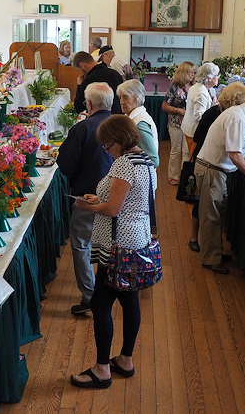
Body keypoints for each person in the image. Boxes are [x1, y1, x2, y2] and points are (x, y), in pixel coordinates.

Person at [69, 115, 156, 389]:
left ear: (119, 139)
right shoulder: (147, 162)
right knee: (130, 301)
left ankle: (102, 369)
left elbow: (113, 210)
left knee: (100, 303)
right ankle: (126, 360)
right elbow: (132, 201)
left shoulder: (123, 165)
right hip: (138, 238)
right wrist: (101, 199)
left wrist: (87, 206)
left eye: (107, 146)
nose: (106, 151)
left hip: (118, 244)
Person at [195, 90, 245, 274]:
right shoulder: (238, 118)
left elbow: (236, 153)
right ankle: (210, 259)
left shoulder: (239, 114)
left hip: (216, 170)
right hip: (211, 170)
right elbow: (235, 154)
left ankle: (215, 252)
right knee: (211, 217)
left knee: (217, 214)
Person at [57, 83, 115, 314]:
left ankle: (90, 297)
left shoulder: (83, 128)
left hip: (87, 198)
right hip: (117, 197)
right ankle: (111, 291)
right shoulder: (123, 126)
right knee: (110, 245)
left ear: (88, 104)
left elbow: (65, 164)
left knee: (82, 244)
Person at [187, 82, 245, 254]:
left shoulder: (230, 114)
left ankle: (213, 250)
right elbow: (198, 136)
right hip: (206, 162)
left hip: (210, 163)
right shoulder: (215, 113)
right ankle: (198, 243)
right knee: (205, 210)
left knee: (209, 211)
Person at [161, 61, 196, 185]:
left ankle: (184, 176)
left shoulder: (194, 87)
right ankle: (173, 175)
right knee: (176, 149)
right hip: (175, 123)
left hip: (190, 124)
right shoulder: (174, 86)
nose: (193, 74)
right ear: (184, 73)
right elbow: (164, 106)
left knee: (187, 151)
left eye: (194, 72)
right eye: (191, 72)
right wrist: (179, 110)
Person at [117, 79, 159, 168]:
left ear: (137, 99)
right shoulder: (131, 118)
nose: (121, 102)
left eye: (125, 97)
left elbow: (153, 160)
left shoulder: (139, 124)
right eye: (120, 97)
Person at [181, 62, 220, 157]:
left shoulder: (196, 87)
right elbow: (199, 116)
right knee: (192, 158)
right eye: (217, 75)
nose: (218, 77)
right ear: (209, 78)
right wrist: (213, 108)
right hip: (194, 131)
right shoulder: (201, 92)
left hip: (188, 128)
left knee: (187, 157)